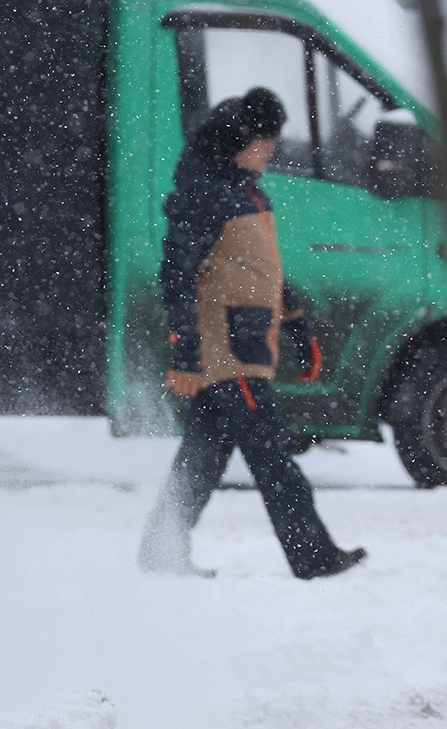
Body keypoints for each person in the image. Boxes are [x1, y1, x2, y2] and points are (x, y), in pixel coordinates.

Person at [138, 87, 367, 580]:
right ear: (236, 143)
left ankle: (161, 550)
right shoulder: (207, 197)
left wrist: (298, 326)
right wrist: (185, 352)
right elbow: (176, 277)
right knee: (272, 455)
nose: (270, 149)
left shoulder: (248, 194)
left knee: (202, 459)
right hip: (227, 350)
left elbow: (261, 271)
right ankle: (313, 557)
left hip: (245, 344)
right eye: (262, 141)